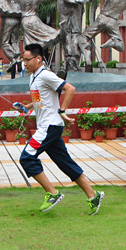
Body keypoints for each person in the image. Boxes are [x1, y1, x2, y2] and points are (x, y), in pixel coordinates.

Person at [18, 43, 104, 214]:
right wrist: (26, 107)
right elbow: (41, 99)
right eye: (23, 60)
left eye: (27, 60)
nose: (24, 63)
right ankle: (93, 196)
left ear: (38, 59)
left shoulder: (46, 75)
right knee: (65, 163)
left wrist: (62, 110)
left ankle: (52, 193)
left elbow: (70, 88)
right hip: (51, 126)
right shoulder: (34, 77)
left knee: (27, 158)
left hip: (48, 126)